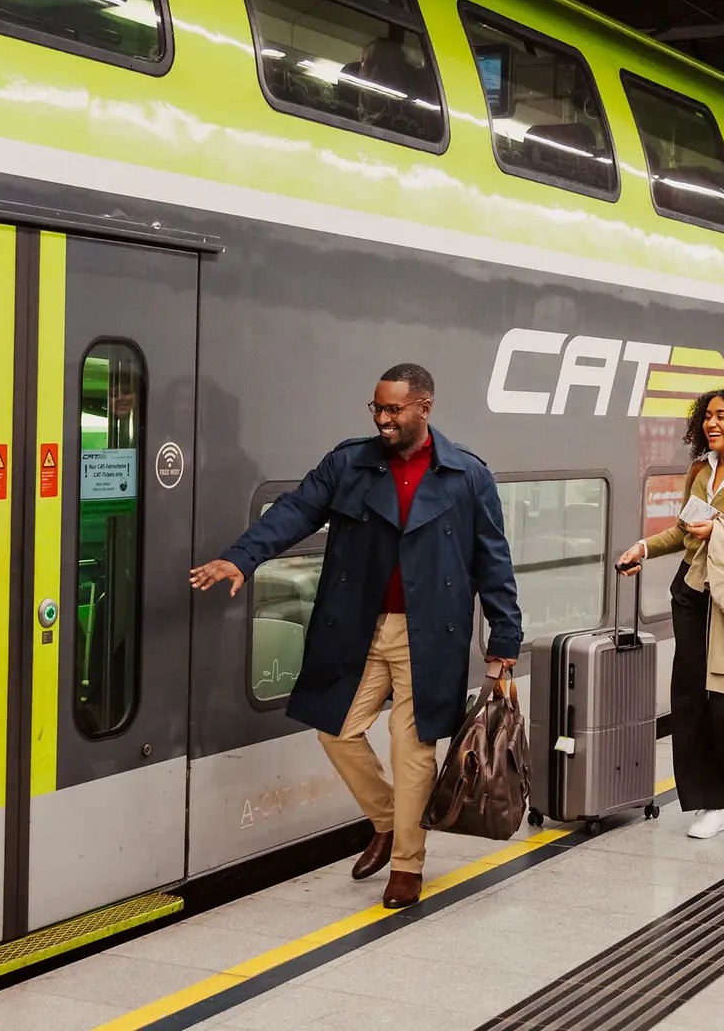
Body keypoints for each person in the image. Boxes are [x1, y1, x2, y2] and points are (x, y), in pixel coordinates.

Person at [188, 364, 521, 909]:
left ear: (424, 408)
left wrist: (505, 636)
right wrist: (241, 559)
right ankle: (389, 820)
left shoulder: (466, 475)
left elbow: (493, 559)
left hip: (430, 632)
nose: (384, 420)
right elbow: (294, 511)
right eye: (378, 409)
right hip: (359, 628)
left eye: (395, 410)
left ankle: (407, 864)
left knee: (412, 748)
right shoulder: (349, 463)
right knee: (335, 729)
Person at [616, 388, 724, 840]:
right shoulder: (703, 471)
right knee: (690, 704)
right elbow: (683, 532)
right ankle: (709, 805)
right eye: (707, 417)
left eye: (721, 416)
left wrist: (723, 531)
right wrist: (643, 548)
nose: (711, 424)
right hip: (693, 594)